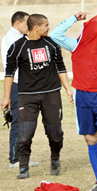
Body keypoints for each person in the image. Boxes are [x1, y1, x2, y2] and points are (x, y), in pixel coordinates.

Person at [50, 6, 97, 191]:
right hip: (83, 97)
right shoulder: (76, 44)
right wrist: (74, 18)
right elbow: (55, 34)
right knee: (91, 139)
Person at [1, 14, 73, 179]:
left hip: (51, 94)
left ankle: (55, 159)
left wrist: (67, 88)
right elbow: (9, 74)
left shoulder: (52, 44)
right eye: (46, 25)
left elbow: (60, 67)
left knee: (55, 134)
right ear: (36, 27)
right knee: (25, 135)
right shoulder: (17, 47)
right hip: (27, 96)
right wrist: (6, 97)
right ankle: (23, 167)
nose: (49, 28)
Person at [1, 11, 40, 169]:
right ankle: (14, 159)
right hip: (17, 85)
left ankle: (21, 157)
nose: (29, 26)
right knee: (18, 123)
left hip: (23, 85)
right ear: (18, 23)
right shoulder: (13, 39)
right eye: (26, 23)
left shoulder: (18, 38)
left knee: (25, 123)